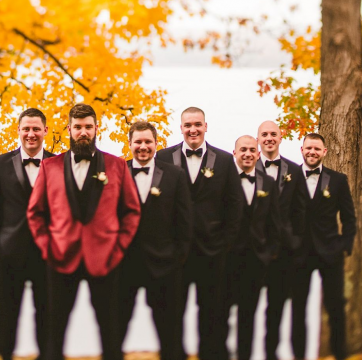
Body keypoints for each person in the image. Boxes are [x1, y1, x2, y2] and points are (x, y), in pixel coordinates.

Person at [27, 103, 141, 360]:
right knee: (54, 332)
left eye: (88, 127)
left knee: (111, 332)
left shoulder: (117, 166)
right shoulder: (49, 166)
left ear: (96, 128)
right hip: (60, 257)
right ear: (69, 129)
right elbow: (35, 213)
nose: (83, 132)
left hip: (105, 259)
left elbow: (131, 212)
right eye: (77, 127)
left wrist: (118, 247)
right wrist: (47, 246)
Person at [155, 107, 243, 360]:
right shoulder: (163, 158)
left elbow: (234, 207)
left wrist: (224, 244)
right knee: (171, 316)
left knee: (213, 316)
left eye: (197, 124)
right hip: (174, 256)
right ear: (180, 128)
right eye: (187, 125)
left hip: (212, 254)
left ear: (206, 126)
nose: (192, 129)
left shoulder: (225, 161)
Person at [0, 109, 54, 360]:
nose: (31, 134)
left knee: (46, 316)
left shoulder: (58, 163)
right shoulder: (0, 164)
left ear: (45, 130)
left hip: (47, 254)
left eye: (36, 129)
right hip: (9, 253)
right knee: (6, 317)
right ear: (18, 130)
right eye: (26, 129)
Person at [119, 121, 192, 360]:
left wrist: (178, 256)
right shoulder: (116, 173)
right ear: (129, 144)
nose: (143, 146)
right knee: (116, 330)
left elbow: (184, 221)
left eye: (148, 141)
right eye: (137, 142)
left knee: (170, 332)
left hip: (164, 266)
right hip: (124, 266)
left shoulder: (175, 175)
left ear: (156, 144)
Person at [290, 133, 356, 360]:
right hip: (298, 255)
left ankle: (340, 355)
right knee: (298, 310)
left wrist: (344, 246)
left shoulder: (338, 180)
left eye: (317, 149)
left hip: (330, 254)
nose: (312, 152)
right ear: (302, 150)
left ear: (324, 152)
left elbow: (349, 218)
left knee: (335, 309)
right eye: (309, 148)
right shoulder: (290, 178)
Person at [224, 135, 286, 360]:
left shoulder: (267, 183)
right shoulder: (224, 180)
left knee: (247, 316)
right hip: (226, 261)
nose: (248, 153)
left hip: (256, 262)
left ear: (258, 154)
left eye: (252, 149)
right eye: (243, 150)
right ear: (235, 153)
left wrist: (268, 253)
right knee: (220, 315)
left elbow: (274, 223)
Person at [255, 121, 307, 360]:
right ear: (258, 138)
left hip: (284, 253)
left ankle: (271, 355)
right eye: (264, 134)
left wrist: (295, 243)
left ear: (280, 137)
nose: (269, 138)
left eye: (273, 134)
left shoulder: (295, 171)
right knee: (246, 309)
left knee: (276, 309)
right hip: (253, 250)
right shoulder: (245, 168)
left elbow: (301, 212)